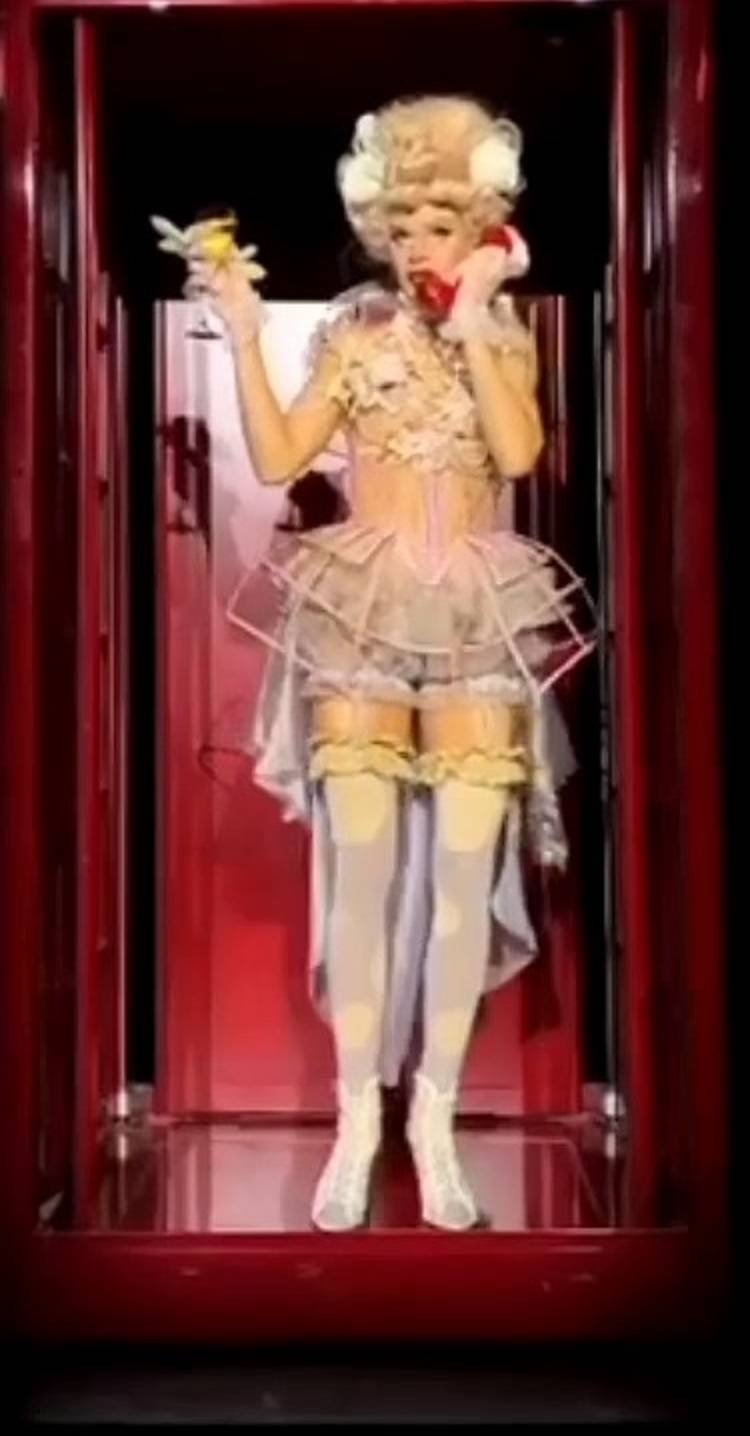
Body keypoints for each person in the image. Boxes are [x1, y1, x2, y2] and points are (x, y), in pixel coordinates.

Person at [189, 95, 593, 1233]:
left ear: (481, 228)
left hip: (475, 608)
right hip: (363, 609)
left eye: (440, 224)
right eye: (402, 225)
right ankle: (357, 1117)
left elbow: (518, 451)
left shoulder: (501, 339)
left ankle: (436, 1118)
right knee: (359, 873)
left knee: (464, 875)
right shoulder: (355, 338)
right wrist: (243, 328)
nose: (418, 243)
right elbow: (280, 455)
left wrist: (475, 319)